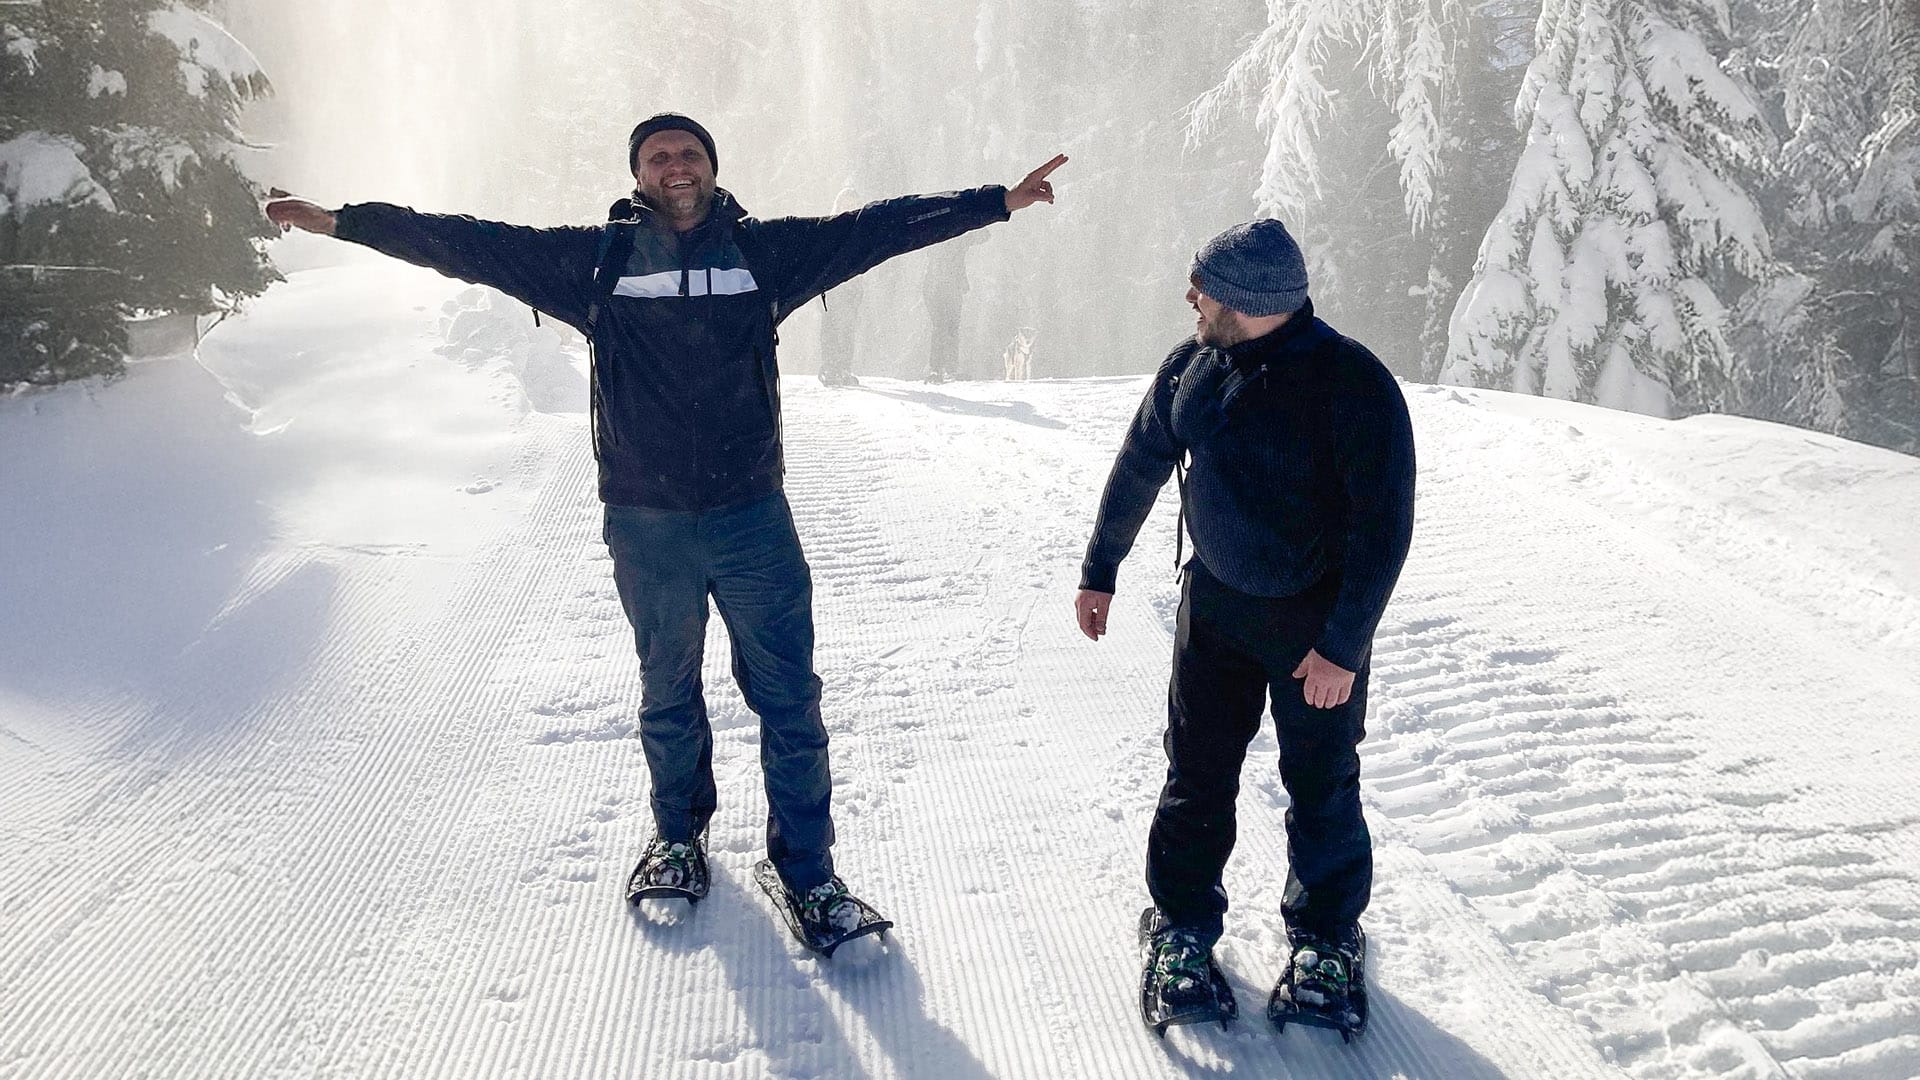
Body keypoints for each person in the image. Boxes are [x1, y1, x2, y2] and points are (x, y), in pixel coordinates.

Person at [268, 113, 1067, 944]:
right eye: (658, 158)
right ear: (637, 176)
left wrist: (992, 203)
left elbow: (873, 230)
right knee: (667, 687)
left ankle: (809, 873)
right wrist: (343, 223)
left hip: (752, 514)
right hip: (646, 522)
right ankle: (679, 838)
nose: (675, 167)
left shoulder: (764, 252)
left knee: (790, 695)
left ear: (714, 168)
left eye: (689, 153)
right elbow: (466, 242)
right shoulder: (595, 261)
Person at [1073, 219, 1414, 1034]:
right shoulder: (1194, 366)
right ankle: (1183, 927)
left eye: (1205, 287)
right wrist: (1100, 569)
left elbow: (1384, 529)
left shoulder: (1353, 383)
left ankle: (1327, 937)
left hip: (1315, 630)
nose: (1190, 298)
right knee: (1195, 776)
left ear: (1253, 301)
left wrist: (1342, 646)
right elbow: (1140, 463)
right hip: (1217, 612)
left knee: (1322, 787)